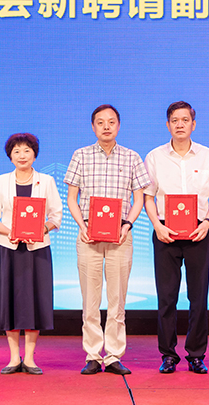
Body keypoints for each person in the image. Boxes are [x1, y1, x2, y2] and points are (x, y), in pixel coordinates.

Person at [65, 104, 151, 375]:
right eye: (100, 122)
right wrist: (82, 226)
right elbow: (72, 198)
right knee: (90, 299)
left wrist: (128, 224)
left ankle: (113, 355)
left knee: (117, 299)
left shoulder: (132, 157)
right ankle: (92, 355)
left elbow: (139, 199)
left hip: (120, 235)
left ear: (118, 125)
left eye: (111, 122)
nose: (106, 126)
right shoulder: (80, 155)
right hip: (88, 234)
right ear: (93, 127)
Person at [144, 101, 209, 374]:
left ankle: (196, 355)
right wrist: (157, 225)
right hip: (165, 231)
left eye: (185, 120)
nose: (180, 124)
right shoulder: (155, 156)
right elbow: (148, 197)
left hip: (198, 232)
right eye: (175, 120)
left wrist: (207, 222)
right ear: (168, 125)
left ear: (193, 124)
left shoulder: (207, 155)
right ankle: (168, 355)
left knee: (198, 297)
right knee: (166, 298)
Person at [0, 133, 62, 375]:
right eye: (16, 151)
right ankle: (12, 358)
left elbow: (56, 215)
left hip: (37, 250)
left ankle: (29, 358)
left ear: (34, 155)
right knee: (8, 300)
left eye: (27, 150)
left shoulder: (46, 181)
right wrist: (10, 232)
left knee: (34, 302)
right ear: (10, 156)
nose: (22, 155)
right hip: (8, 249)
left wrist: (41, 230)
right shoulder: (1, 181)